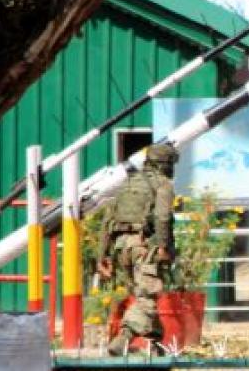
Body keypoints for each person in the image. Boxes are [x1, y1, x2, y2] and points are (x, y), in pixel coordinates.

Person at [99, 143, 177, 355]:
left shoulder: (128, 183)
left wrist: (102, 256)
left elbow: (107, 220)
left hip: (121, 248)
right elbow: (162, 216)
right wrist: (163, 246)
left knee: (145, 294)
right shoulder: (163, 185)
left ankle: (156, 344)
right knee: (147, 297)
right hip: (144, 247)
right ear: (166, 164)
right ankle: (124, 337)